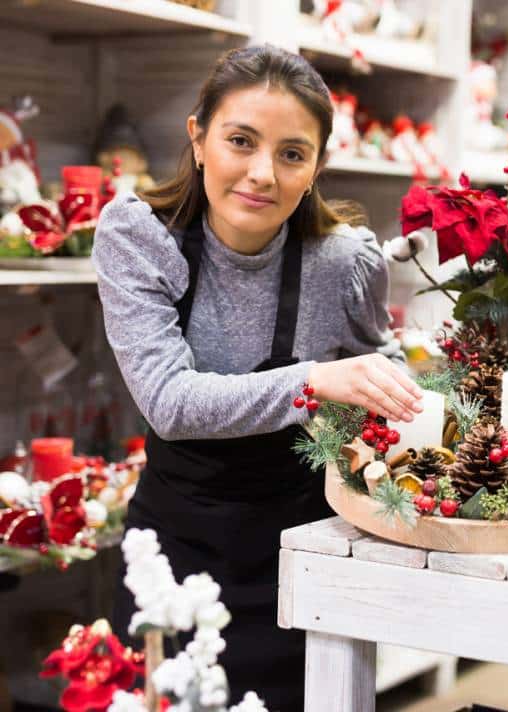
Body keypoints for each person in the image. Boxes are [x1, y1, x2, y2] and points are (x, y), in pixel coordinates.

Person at [93, 44, 424, 710]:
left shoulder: (343, 261)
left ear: (317, 167)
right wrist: (316, 383)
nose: (261, 173)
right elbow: (169, 403)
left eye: (292, 154)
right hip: (171, 561)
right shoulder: (140, 239)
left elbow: (375, 367)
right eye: (240, 141)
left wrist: (378, 404)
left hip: (300, 561)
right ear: (198, 138)